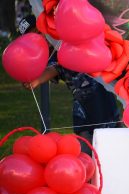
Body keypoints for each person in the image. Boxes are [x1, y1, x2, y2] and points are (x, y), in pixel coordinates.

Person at [18, 15, 120, 153]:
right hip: (82, 109)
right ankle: (90, 172)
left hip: (102, 100)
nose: (39, 38)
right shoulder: (49, 55)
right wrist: (35, 80)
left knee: (112, 144)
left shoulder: (68, 39)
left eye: (39, 32)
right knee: (86, 146)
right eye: (32, 38)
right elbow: (55, 68)